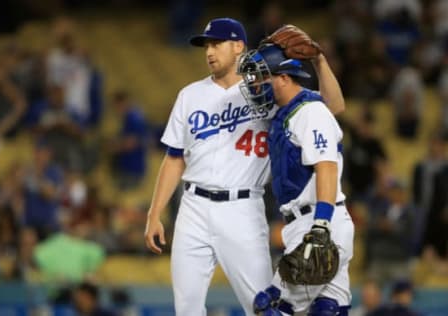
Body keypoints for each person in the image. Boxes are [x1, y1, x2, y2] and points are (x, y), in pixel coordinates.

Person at [144, 18, 345, 316]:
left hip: (242, 207)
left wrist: (319, 61)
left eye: (217, 43)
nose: (209, 51)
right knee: (185, 308)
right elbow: (175, 157)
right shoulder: (190, 95)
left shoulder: (267, 87)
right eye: (206, 45)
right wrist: (154, 213)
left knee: (263, 305)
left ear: (238, 46)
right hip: (193, 206)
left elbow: (334, 107)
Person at [237, 44, 353, 315]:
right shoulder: (290, 110)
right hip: (315, 221)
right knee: (330, 309)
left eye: (262, 78)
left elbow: (326, 166)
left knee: (272, 305)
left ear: (284, 77)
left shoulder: (309, 112)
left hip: (319, 221)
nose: (256, 86)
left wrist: (321, 225)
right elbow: (336, 105)